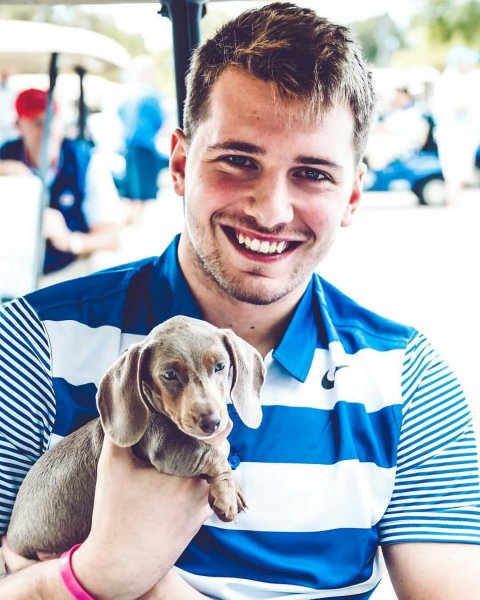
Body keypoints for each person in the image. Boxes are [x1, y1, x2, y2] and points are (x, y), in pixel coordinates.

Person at [1, 3, 480, 599]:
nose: (271, 211)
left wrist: (63, 583)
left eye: (313, 173)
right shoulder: (30, 342)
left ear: (353, 195)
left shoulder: (410, 381)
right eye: (238, 160)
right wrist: (92, 574)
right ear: (181, 164)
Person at [0, 88, 122, 282]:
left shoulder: (86, 161)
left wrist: (69, 240)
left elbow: (112, 238)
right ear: (19, 125)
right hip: (13, 269)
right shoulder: (7, 155)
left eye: (52, 120)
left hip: (67, 270)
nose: (46, 130)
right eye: (37, 123)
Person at [118, 55, 169, 223]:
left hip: (128, 147)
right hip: (144, 146)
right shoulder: (151, 94)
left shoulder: (127, 94)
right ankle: (137, 223)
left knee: (132, 190)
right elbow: (159, 120)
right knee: (142, 192)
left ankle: (132, 221)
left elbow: (120, 115)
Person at [432, 46, 480, 206]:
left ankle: (453, 203)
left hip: (459, 135)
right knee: (455, 174)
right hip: (454, 136)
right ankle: (453, 204)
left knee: (457, 175)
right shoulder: (449, 81)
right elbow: (455, 106)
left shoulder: (461, 79)